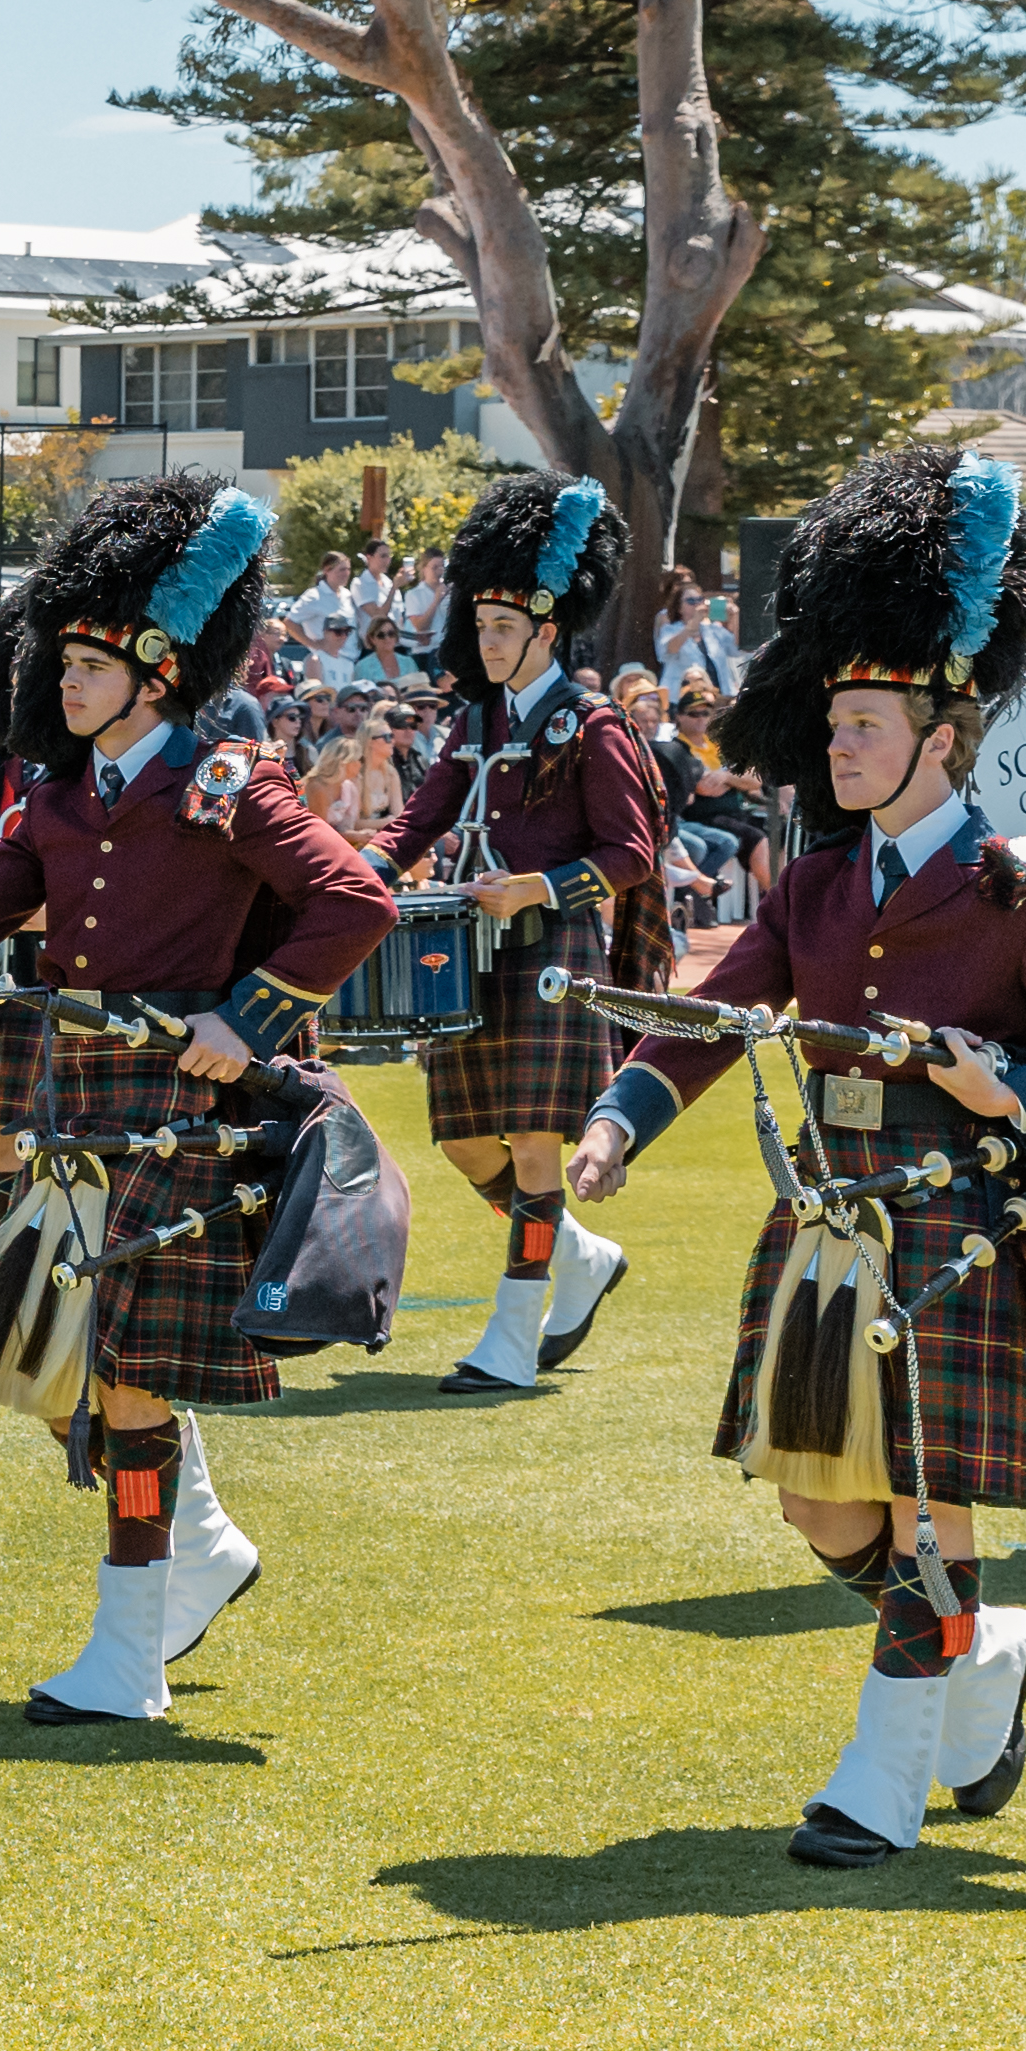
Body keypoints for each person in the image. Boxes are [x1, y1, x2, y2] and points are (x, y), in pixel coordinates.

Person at [562, 444, 1026, 1869]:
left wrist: (1012, 1083)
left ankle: (875, 1780)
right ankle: (982, 1646)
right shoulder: (816, 880)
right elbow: (713, 1014)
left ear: (939, 735)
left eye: (863, 723)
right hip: (825, 1217)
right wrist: (616, 1116)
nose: (835, 746)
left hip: (952, 1219)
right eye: (831, 721)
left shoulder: (1021, 884)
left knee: (921, 1499)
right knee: (819, 1502)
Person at [0, 472, 388, 1720]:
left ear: (154, 673)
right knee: (45, 1362)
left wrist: (247, 1017)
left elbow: (356, 900)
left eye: (85, 664)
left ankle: (126, 1658)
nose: (59, 683)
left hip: (181, 1113)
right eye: (61, 660)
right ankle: (203, 1544)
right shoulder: (62, 796)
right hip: (75, 1102)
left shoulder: (226, 781)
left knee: (120, 1381)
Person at [366, 474, 669, 1397]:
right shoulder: (472, 720)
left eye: (503, 627)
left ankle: (509, 1336)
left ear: (546, 628)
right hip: (464, 951)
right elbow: (415, 822)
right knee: (464, 1139)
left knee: (536, 1147)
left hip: (552, 952)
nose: (487, 640)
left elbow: (632, 851)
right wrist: (350, 873)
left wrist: (540, 885)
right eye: (481, 624)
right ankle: (577, 1252)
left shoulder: (591, 723)